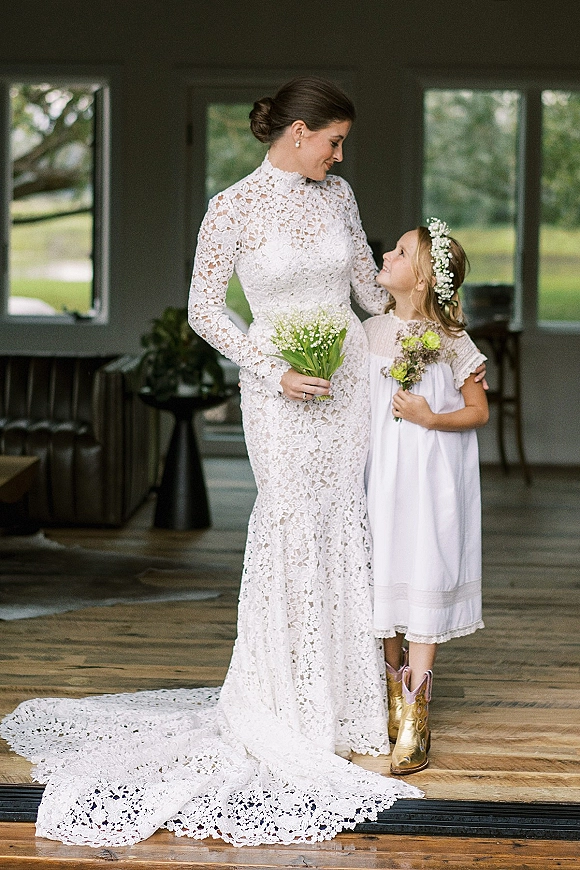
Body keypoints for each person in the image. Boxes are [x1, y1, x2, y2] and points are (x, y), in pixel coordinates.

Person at [0, 76, 423, 849]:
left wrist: (428, 329)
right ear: (297, 133)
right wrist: (270, 367)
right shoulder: (233, 207)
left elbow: (368, 292)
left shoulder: (340, 198)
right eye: (333, 141)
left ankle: (344, 704)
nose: (339, 154)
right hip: (281, 394)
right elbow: (204, 308)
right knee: (290, 522)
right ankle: (283, 705)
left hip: (346, 396)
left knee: (341, 523)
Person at [363, 219, 489, 777]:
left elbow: (478, 410)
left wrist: (430, 416)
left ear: (421, 279)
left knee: (423, 568)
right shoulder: (367, 332)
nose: (387, 253)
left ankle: (416, 707)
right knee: (382, 568)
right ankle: (390, 689)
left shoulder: (453, 341)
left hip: (429, 476)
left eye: (401, 250)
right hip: (379, 473)